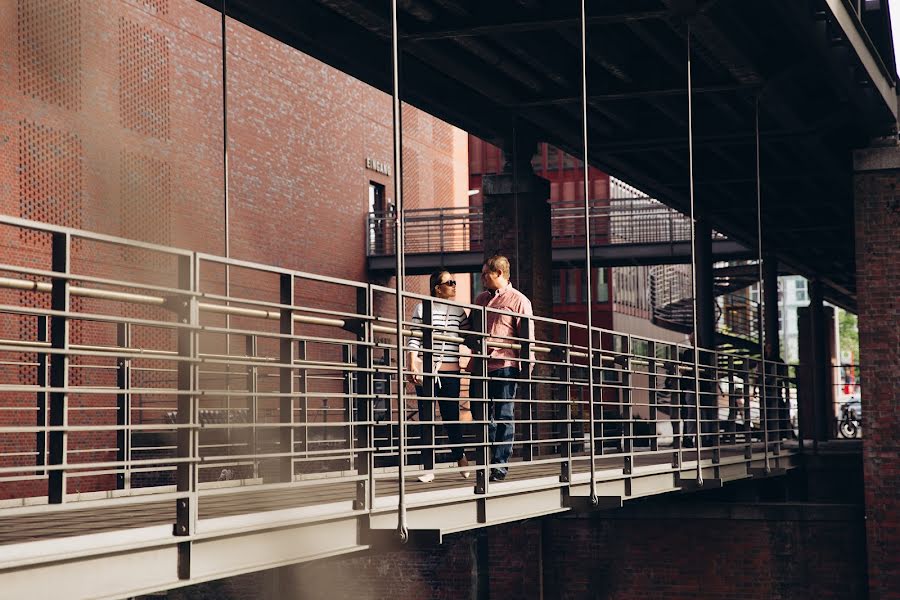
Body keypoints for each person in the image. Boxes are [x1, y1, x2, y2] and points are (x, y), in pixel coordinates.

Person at [473, 255, 533, 482]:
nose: (482, 278)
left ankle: (499, 466)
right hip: (481, 367)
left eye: (485, 274)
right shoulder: (479, 299)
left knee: (504, 416)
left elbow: (528, 338)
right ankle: (485, 462)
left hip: (505, 366)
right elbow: (470, 330)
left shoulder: (519, 301)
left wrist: (527, 367)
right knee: (483, 418)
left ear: (498, 273)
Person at [407, 270, 471, 482]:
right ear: (437, 287)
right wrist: (412, 365)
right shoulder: (422, 307)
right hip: (427, 372)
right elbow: (414, 337)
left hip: (451, 372)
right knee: (426, 419)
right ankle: (428, 467)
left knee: (451, 417)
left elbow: (469, 335)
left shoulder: (458, 310)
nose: (454, 285)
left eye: (454, 281)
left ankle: (460, 456)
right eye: (449, 282)